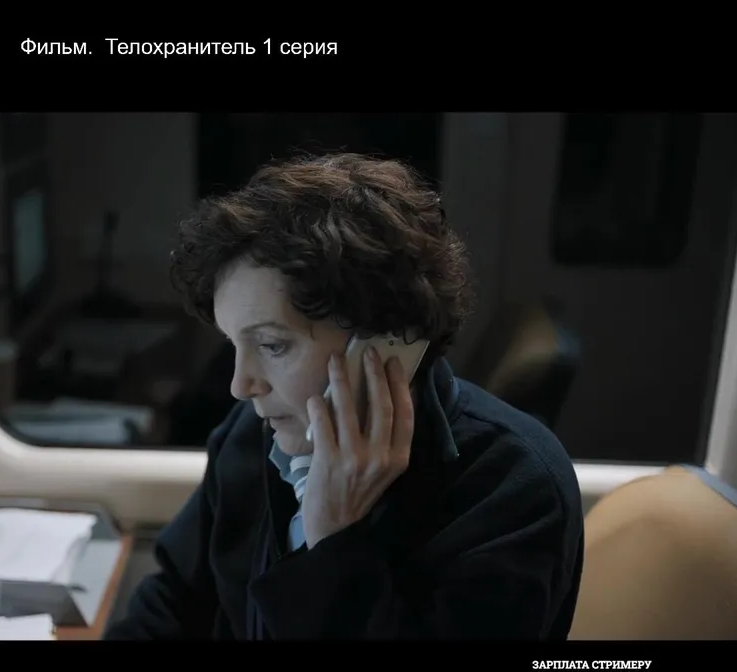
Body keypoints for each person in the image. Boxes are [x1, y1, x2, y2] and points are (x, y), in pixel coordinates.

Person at [105, 153, 584, 640]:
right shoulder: (255, 431)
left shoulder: (512, 487)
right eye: (235, 344)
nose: (241, 386)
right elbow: (170, 606)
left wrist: (334, 538)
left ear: (385, 342)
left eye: (272, 346)